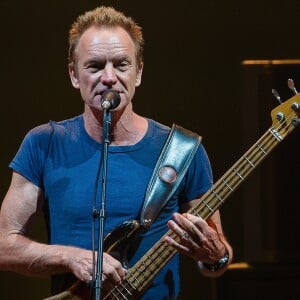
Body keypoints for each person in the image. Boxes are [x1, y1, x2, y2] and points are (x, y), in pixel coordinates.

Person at [0, 6, 233, 300]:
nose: (109, 77)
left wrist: (216, 255)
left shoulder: (183, 150)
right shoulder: (43, 143)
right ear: (74, 75)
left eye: (121, 65)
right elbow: (3, 247)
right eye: (95, 66)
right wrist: (72, 257)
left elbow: (215, 262)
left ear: (139, 73)